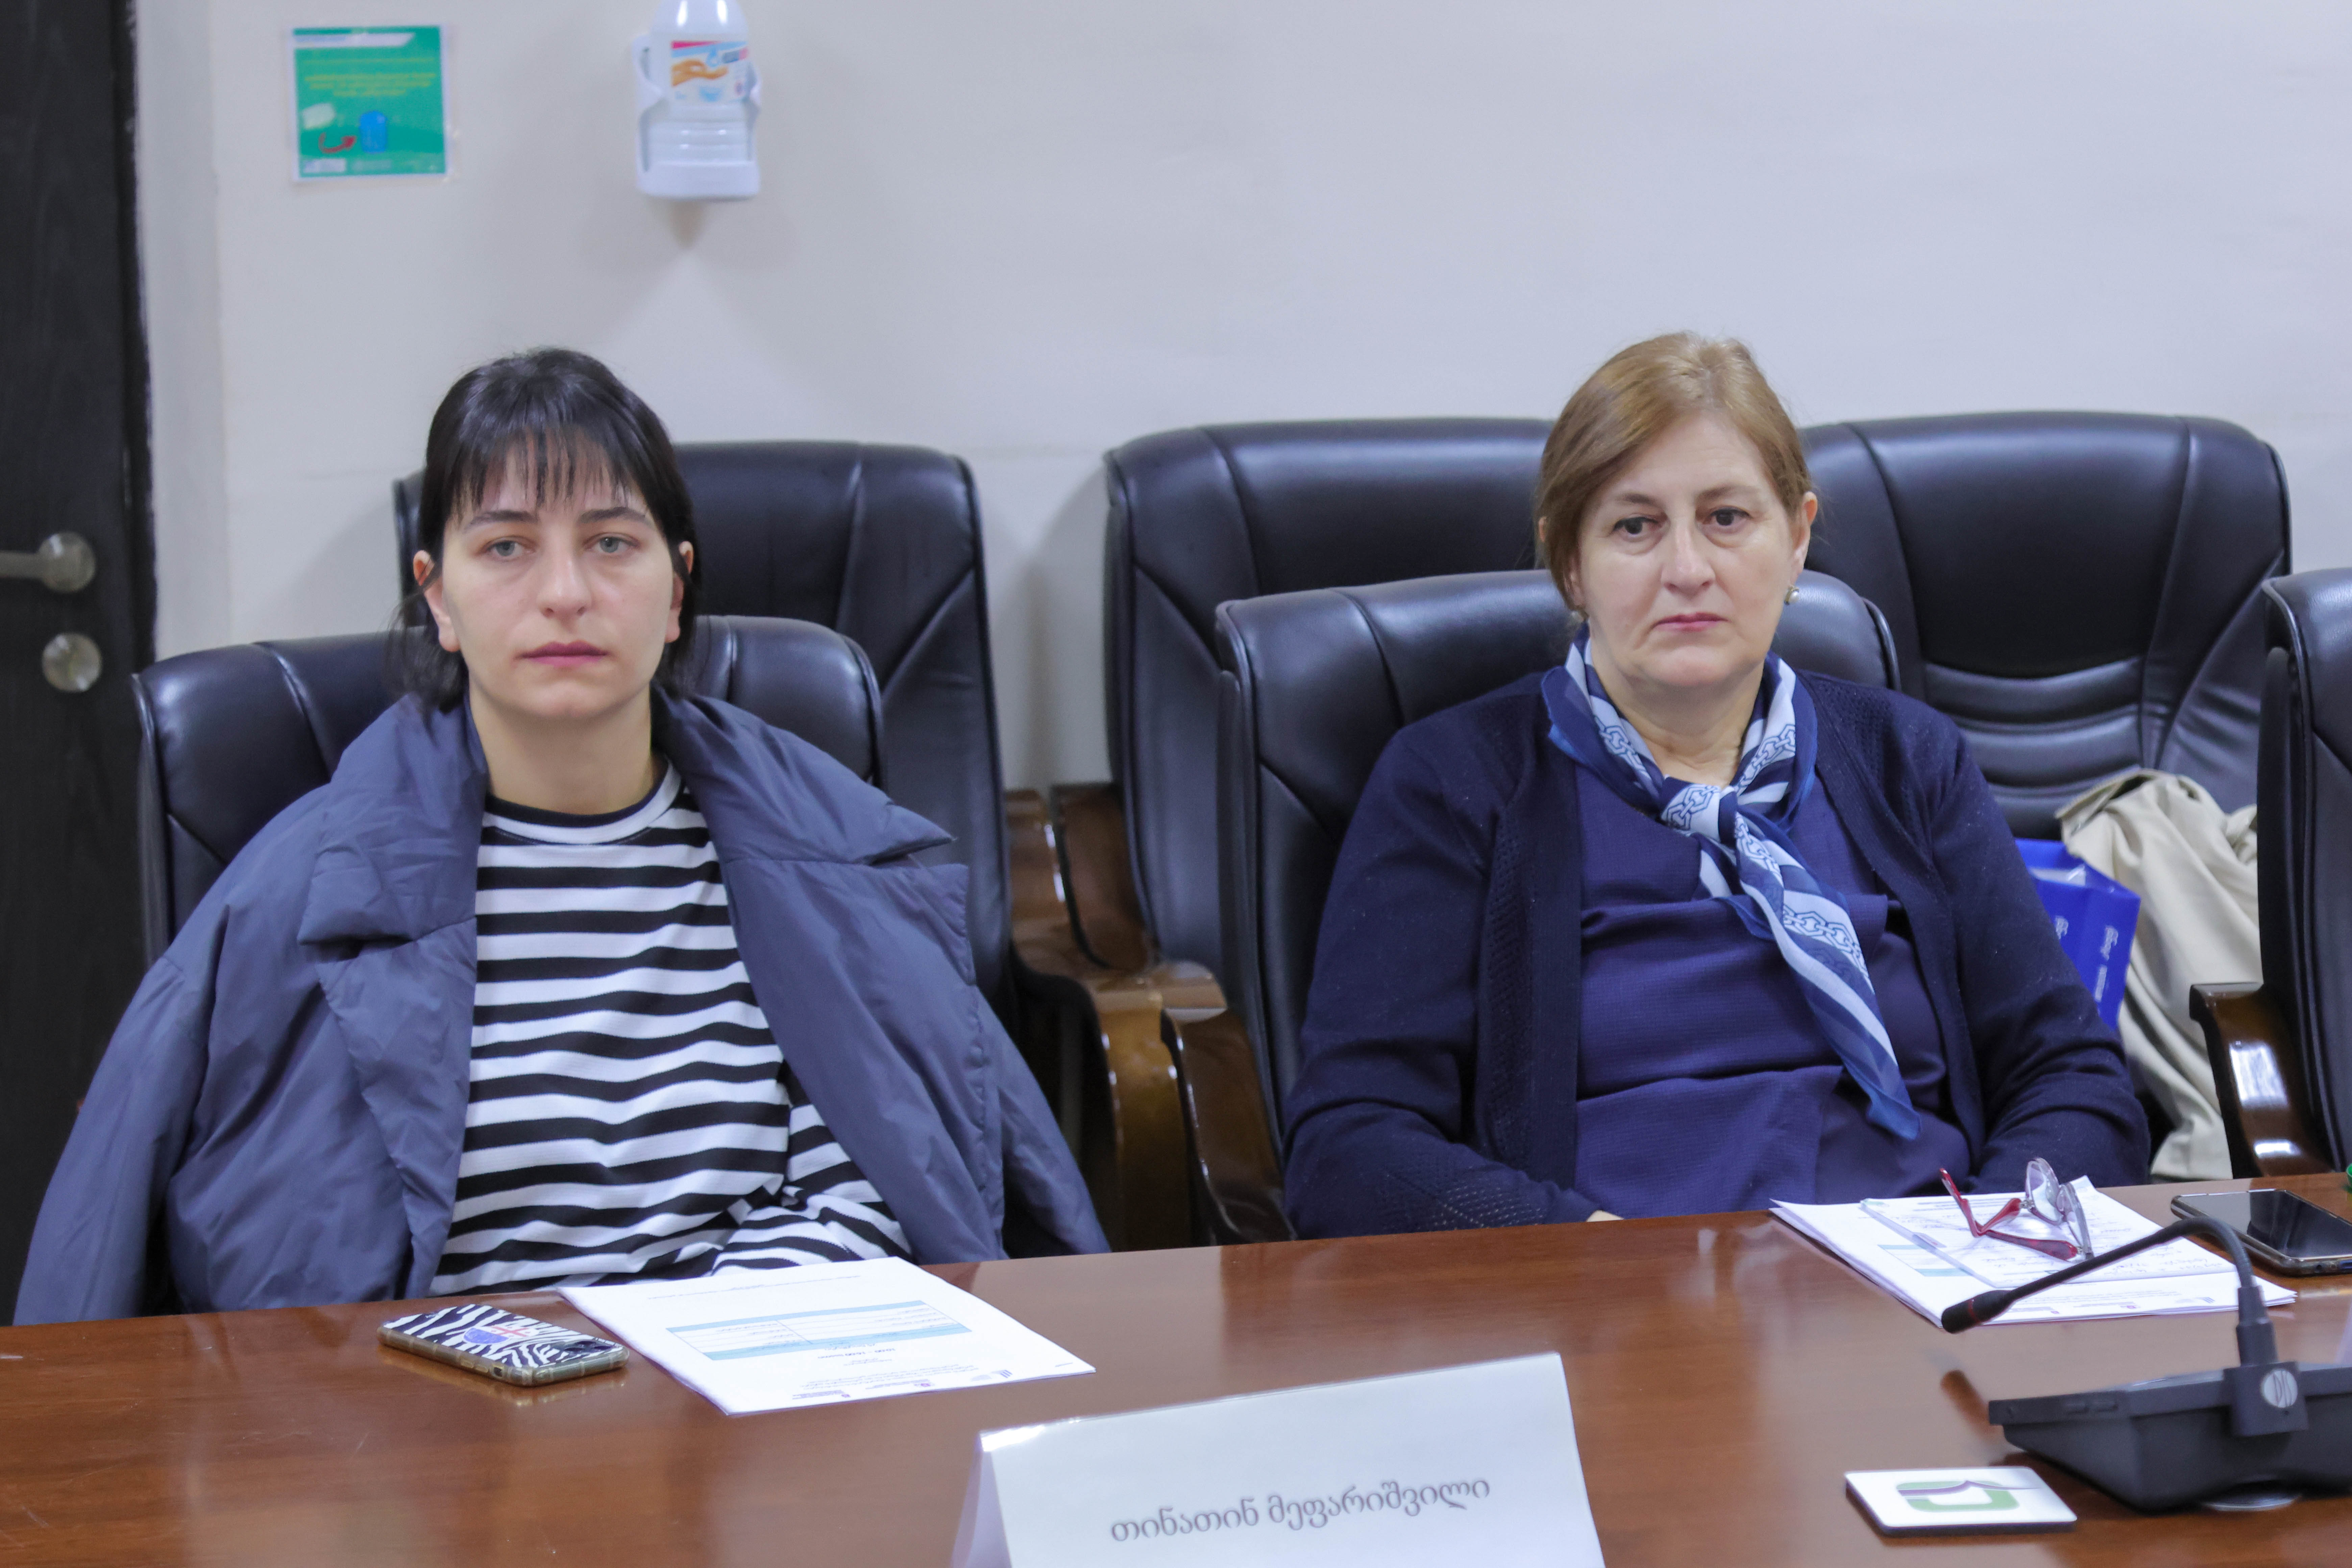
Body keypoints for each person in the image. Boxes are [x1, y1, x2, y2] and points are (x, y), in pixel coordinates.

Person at [17, 348, 1103, 1323]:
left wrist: (697, 1350)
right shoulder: (296, 892)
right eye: (506, 547)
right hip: (442, 1418)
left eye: (612, 543)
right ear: (438, 600)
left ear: (675, 591)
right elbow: (265, 1262)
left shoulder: (824, 849)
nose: (566, 594)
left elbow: (885, 1182)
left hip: (771, 1373)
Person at [1281, 333, 2148, 1235]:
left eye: (1727, 518)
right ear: (1569, 563)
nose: (1688, 570)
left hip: (1918, 1278)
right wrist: (1583, 1258)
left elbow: (2074, 1080)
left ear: (1798, 538)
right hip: (1618, 1288)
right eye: (1635, 526)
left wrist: (1985, 1247)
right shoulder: (1454, 782)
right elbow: (1351, 1145)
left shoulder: (1907, 758)